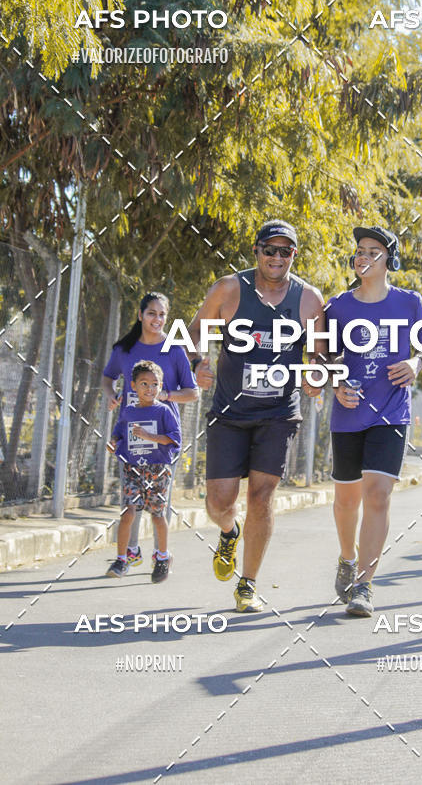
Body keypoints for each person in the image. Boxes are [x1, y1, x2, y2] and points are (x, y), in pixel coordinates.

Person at [186, 220, 325, 612]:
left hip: (279, 412)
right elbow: (194, 332)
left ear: (294, 256)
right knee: (218, 503)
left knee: (261, 497)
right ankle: (229, 532)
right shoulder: (229, 290)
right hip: (230, 411)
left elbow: (320, 352)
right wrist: (198, 361)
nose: (277, 257)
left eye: (286, 251)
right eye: (270, 249)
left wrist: (317, 371)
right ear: (257, 251)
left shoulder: (308, 299)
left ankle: (247, 584)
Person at [324, 225, 422, 618]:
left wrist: (416, 363)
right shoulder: (337, 307)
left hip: (391, 412)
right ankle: (347, 558)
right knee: (346, 500)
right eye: (359, 250)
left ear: (390, 260)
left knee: (378, 495)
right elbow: (328, 358)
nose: (363, 255)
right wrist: (336, 384)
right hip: (349, 413)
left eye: (373, 250)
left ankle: (365, 586)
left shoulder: (409, 303)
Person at [102, 292, 198, 570]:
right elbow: (108, 376)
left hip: (165, 436)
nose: (157, 319)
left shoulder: (175, 350)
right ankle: (130, 552)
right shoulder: (124, 349)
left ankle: (161, 557)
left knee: (158, 500)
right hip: (132, 435)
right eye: (151, 313)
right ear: (140, 315)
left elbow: (192, 393)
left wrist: (164, 396)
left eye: (162, 315)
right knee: (130, 498)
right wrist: (110, 394)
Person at [106, 361, 181, 583]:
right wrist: (113, 442)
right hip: (133, 469)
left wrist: (149, 436)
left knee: (158, 516)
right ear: (133, 386)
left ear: (160, 386)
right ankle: (121, 559)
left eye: (155, 384)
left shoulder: (164, 411)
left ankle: (162, 557)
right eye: (144, 384)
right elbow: (119, 432)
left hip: (158, 471)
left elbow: (173, 438)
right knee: (128, 513)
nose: (150, 388)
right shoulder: (128, 412)